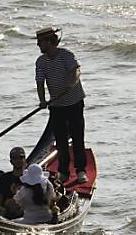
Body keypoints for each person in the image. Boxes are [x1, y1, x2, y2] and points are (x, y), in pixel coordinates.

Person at [34, 27, 87, 184]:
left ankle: (81, 170)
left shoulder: (66, 55)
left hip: (75, 103)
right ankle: (63, 172)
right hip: (57, 105)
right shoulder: (41, 62)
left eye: (40, 42)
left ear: (49, 42)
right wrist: (42, 100)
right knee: (60, 141)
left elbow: (76, 70)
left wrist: (71, 83)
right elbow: (40, 82)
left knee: (77, 138)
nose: (38, 45)